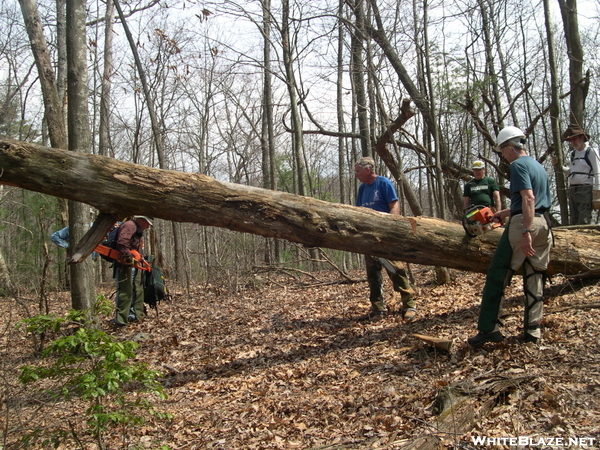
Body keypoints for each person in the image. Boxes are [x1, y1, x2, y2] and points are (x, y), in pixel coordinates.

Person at [467, 126, 552, 346]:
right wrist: (503, 213)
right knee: (534, 278)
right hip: (544, 225)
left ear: (510, 146)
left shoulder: (517, 165)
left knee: (497, 274)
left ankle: (488, 329)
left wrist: (525, 231)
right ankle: (533, 331)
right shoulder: (538, 166)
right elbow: (532, 201)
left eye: (502, 150)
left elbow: (529, 199)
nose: (502, 155)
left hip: (525, 225)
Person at [354, 157, 417, 321]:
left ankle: (409, 305)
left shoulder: (383, 183)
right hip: (368, 238)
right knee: (373, 275)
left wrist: (389, 229)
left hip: (385, 238)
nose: (356, 174)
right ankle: (378, 308)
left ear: (367, 170)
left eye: (358, 171)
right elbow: (358, 211)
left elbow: (394, 205)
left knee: (395, 270)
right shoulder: (362, 189)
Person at [113, 215, 153, 326]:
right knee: (126, 291)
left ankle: (136, 315)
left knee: (137, 289)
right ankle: (121, 319)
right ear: (142, 220)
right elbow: (122, 242)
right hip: (125, 263)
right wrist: (128, 256)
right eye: (147, 224)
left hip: (135, 264)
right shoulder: (130, 225)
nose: (148, 227)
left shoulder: (137, 228)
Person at [561, 126, 600, 225]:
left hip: (585, 188)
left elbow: (597, 171)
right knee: (574, 217)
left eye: (574, 139)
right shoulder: (573, 154)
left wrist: (597, 193)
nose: (572, 142)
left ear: (582, 138)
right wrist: (559, 167)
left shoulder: (590, 151)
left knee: (584, 217)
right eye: (570, 140)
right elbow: (571, 171)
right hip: (573, 188)